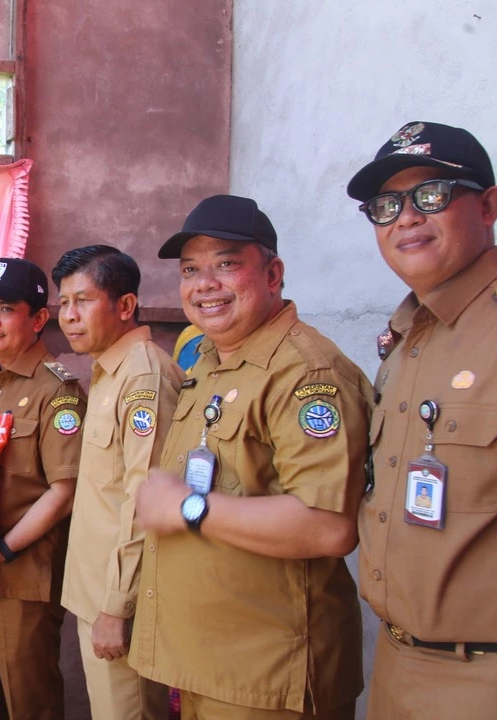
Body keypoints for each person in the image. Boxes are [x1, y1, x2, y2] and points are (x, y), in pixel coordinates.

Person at [130, 195, 371, 719]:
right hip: (206, 663)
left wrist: (189, 510)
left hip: (266, 677)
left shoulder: (306, 373)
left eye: (226, 264)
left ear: (273, 273)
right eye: (191, 269)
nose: (204, 283)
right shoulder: (210, 366)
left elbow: (329, 526)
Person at [347, 121, 497, 719]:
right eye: (385, 206)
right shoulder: (408, 337)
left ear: (488, 206)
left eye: (430, 195)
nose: (404, 218)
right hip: (395, 661)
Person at [0, 257, 86, 720]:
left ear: (39, 318)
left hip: (19, 573)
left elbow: (64, 490)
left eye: (5, 309)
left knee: (29, 703)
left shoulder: (58, 391)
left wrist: (2, 550)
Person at [52, 245, 182, 720]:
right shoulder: (109, 370)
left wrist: (117, 607)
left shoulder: (144, 377)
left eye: (83, 301)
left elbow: (145, 501)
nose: (69, 316)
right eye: (63, 303)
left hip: (119, 599)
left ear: (125, 306)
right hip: (94, 591)